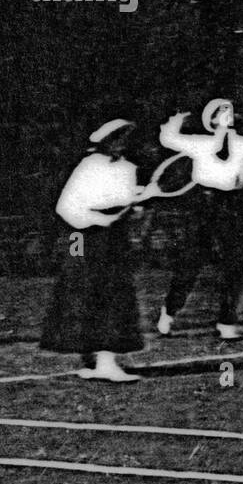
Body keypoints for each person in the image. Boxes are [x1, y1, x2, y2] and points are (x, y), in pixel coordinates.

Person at [155, 98, 243, 340]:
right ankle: (169, 312)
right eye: (221, 110)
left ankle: (226, 323)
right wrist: (174, 122)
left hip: (233, 205)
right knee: (190, 262)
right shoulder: (200, 143)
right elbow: (168, 139)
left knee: (235, 265)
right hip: (204, 206)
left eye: (230, 110)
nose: (228, 113)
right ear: (212, 119)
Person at [40, 119, 145, 382]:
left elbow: (124, 202)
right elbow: (65, 207)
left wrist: (134, 209)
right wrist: (99, 221)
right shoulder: (89, 166)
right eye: (117, 137)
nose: (122, 142)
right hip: (84, 236)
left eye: (125, 137)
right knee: (85, 292)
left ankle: (104, 362)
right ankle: (95, 361)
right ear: (106, 140)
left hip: (114, 237)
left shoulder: (128, 168)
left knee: (115, 295)